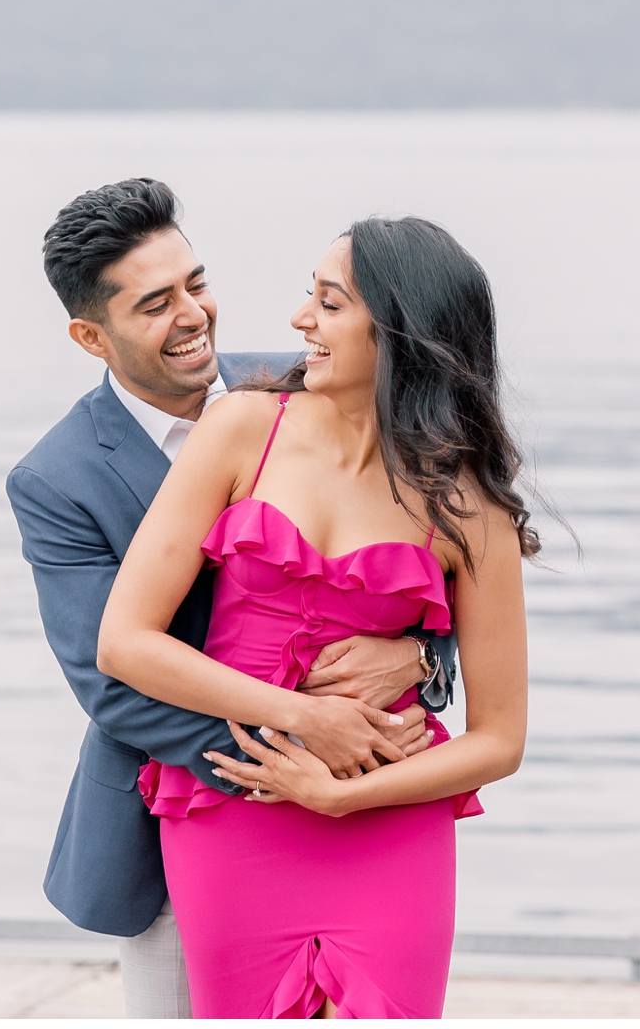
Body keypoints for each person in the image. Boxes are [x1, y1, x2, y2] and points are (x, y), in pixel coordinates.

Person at [6, 179, 459, 1018]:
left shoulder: (302, 385)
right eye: (155, 304)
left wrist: (424, 659)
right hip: (180, 805)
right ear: (90, 336)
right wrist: (303, 742)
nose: (193, 315)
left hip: (359, 798)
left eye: (197, 284)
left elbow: (422, 560)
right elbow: (112, 682)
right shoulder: (56, 479)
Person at [96, 215, 532, 1018]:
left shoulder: (470, 508)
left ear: (399, 332)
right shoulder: (241, 430)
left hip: (391, 811)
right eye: (311, 298)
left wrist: (343, 795)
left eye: (329, 304)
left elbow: (500, 741)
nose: (301, 321)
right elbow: (124, 643)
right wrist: (304, 720)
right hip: (236, 806)